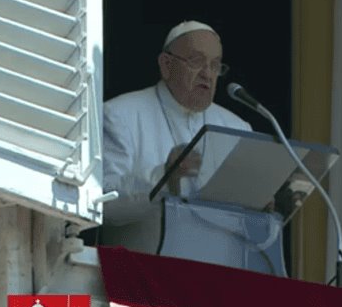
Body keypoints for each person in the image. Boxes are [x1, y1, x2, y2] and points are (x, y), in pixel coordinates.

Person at [101, 20, 252, 253]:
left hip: (217, 272)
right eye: (196, 61)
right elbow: (105, 205)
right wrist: (164, 178)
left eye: (215, 66)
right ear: (166, 65)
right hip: (140, 275)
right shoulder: (121, 115)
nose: (207, 74)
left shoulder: (237, 128)